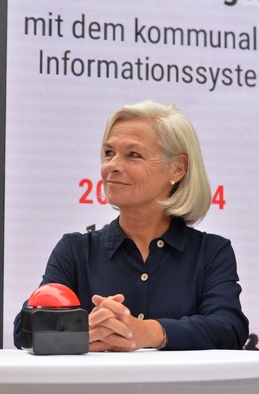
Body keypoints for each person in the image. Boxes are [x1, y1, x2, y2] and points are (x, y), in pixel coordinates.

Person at [13, 100, 248, 352]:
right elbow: (23, 331)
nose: (112, 165)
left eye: (133, 154)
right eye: (108, 153)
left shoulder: (211, 252)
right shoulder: (75, 250)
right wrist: (81, 330)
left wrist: (148, 332)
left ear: (178, 169)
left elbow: (229, 328)